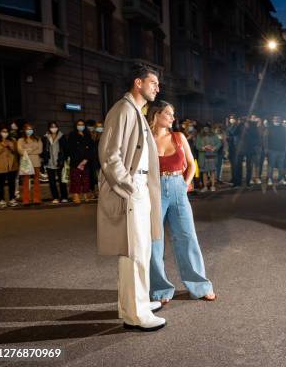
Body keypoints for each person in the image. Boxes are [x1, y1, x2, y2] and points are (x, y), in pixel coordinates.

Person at [97, 64, 165, 331]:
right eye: (153, 83)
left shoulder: (135, 110)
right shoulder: (123, 109)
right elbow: (109, 154)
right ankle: (136, 314)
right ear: (138, 82)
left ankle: (135, 304)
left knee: (140, 250)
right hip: (133, 188)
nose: (157, 88)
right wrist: (130, 187)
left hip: (141, 188)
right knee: (135, 252)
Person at [147, 101, 216, 303]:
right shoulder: (146, 138)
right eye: (168, 113)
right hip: (154, 189)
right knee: (154, 242)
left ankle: (200, 286)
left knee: (187, 237)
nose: (172, 118)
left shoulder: (178, 137)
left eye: (172, 114)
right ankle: (160, 289)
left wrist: (185, 184)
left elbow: (191, 164)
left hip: (178, 186)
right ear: (156, 114)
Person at [0, 124, 19, 208]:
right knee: (0, 184)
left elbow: (16, 152)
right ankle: (1, 200)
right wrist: (2, 146)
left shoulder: (13, 140)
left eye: (6, 131)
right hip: (0, 166)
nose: (5, 133)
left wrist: (11, 147)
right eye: (3, 131)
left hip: (12, 165)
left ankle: (12, 199)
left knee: (11, 184)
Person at [68, 119, 95, 204]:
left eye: (82, 124)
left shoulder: (87, 135)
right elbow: (71, 149)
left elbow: (91, 148)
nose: (81, 126)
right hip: (75, 162)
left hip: (86, 161)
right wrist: (78, 160)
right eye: (79, 124)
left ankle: (85, 194)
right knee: (75, 179)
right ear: (76, 126)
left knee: (85, 179)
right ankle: (76, 195)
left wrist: (86, 159)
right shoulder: (72, 135)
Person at [41, 122, 69, 204]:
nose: (54, 128)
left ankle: (64, 197)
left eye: (55, 126)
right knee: (52, 182)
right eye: (52, 127)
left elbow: (66, 149)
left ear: (57, 127)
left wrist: (65, 159)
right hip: (49, 163)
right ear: (49, 128)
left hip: (60, 162)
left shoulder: (62, 136)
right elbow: (43, 150)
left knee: (62, 181)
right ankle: (55, 197)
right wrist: (44, 159)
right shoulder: (45, 137)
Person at [17, 123, 43, 205]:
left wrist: (27, 150)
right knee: (25, 182)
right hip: (26, 163)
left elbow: (40, 150)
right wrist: (33, 148)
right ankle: (26, 200)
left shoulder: (38, 139)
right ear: (24, 130)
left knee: (36, 181)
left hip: (36, 163)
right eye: (27, 129)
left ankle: (37, 199)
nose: (29, 131)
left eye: (31, 129)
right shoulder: (20, 140)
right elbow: (20, 151)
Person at [196, 124, 221, 192]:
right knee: (204, 172)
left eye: (207, 128)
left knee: (212, 171)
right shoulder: (199, 136)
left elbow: (219, 143)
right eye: (204, 128)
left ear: (209, 129)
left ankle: (213, 186)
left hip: (212, 156)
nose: (206, 129)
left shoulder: (214, 135)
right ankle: (205, 187)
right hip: (203, 157)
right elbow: (197, 146)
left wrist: (214, 148)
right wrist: (203, 148)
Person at [265, 115, 286, 185]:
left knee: (281, 166)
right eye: (275, 119)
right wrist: (266, 149)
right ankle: (269, 179)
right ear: (273, 120)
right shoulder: (269, 128)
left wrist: (285, 148)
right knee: (271, 165)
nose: (277, 120)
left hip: (281, 150)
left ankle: (280, 179)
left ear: (280, 120)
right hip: (272, 150)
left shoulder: (283, 128)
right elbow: (265, 139)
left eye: (278, 119)